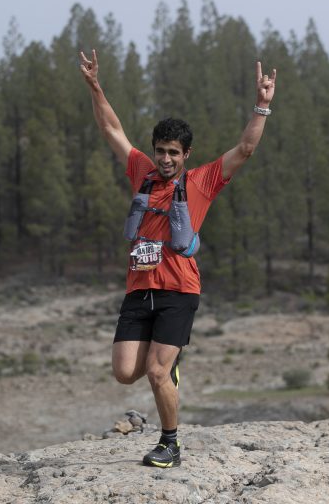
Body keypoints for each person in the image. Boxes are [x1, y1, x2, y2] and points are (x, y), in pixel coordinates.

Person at [79, 49, 276, 467]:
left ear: (186, 154)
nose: (166, 159)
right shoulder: (142, 174)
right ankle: (167, 364)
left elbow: (244, 148)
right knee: (124, 371)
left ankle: (170, 443)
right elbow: (111, 129)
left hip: (178, 291)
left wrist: (262, 104)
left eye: (173, 153)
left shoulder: (201, 182)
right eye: (161, 151)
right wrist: (95, 87)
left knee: (155, 372)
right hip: (139, 289)